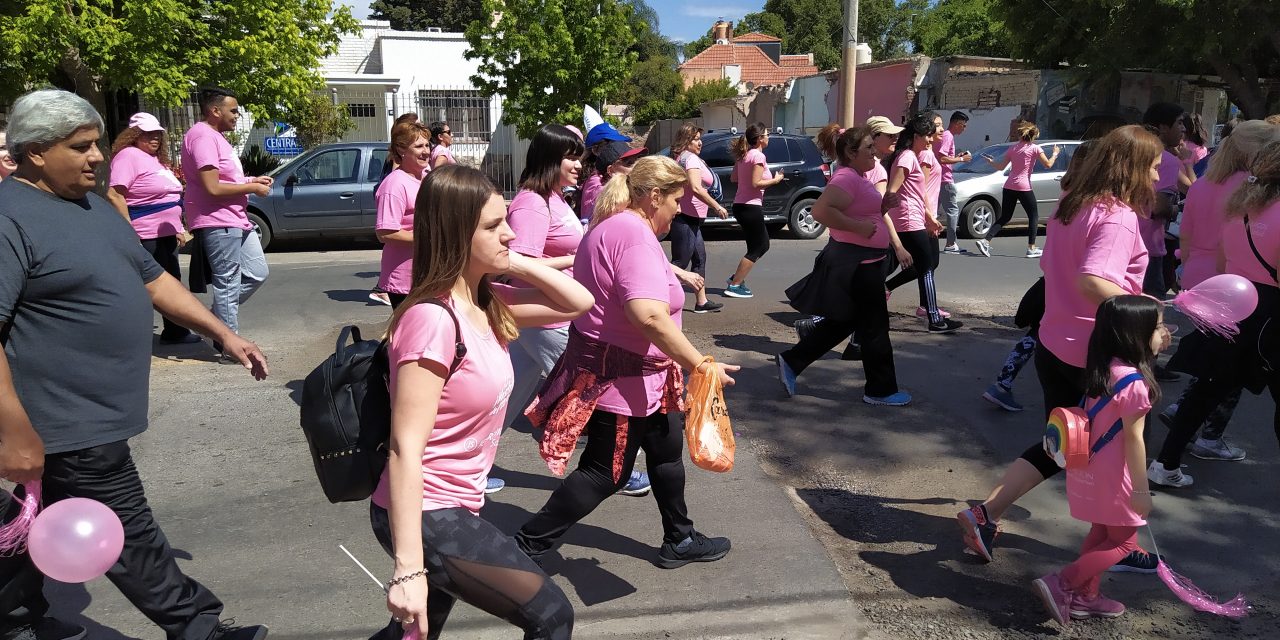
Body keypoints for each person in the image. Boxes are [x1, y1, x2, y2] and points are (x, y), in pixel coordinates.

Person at [0, 89, 270, 640]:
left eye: (97, 143)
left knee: (26, 523)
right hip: (61, 419)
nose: (97, 157)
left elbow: (154, 279)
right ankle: (196, 627)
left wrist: (221, 332)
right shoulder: (9, 219)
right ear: (33, 153)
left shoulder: (93, 207)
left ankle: (16, 619)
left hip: (93, 412)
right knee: (128, 526)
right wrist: (14, 429)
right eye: (81, 147)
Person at [373, 164, 591, 640]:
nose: (511, 233)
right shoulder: (431, 321)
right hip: (425, 510)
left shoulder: (487, 306)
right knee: (552, 615)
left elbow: (578, 302)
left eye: (506, 220)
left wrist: (510, 259)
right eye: (493, 226)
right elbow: (404, 448)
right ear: (454, 233)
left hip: (456, 503)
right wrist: (408, 569)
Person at [957, 126, 1163, 573]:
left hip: (1056, 342)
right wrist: (1147, 317)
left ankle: (987, 514)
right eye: (1152, 165)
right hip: (1096, 352)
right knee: (1113, 448)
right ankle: (1114, 550)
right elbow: (1092, 279)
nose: (1157, 174)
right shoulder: (1117, 215)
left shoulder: (1074, 207)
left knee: (1066, 445)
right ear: (1131, 167)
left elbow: (1058, 272)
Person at [515, 155, 738, 569]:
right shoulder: (631, 234)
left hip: (647, 377)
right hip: (623, 381)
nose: (680, 209)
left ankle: (680, 538)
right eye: (676, 200)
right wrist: (701, 365)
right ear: (654, 196)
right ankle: (525, 546)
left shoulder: (622, 226)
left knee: (667, 453)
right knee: (605, 473)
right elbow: (648, 316)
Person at [503, 126, 656, 498]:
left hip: (552, 314)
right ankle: (611, 470)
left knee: (506, 393)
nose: (579, 163)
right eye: (570, 156)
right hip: (545, 317)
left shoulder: (552, 198)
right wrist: (576, 257)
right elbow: (517, 264)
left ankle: (465, 459)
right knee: (594, 392)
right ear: (549, 160)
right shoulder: (532, 203)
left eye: (579, 155)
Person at [1032, 296, 1166, 627]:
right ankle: (1062, 582)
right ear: (1136, 333)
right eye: (1159, 327)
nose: (1165, 333)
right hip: (1116, 474)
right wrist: (1142, 491)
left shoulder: (1106, 369)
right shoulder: (1134, 384)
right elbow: (1135, 441)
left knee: (1101, 532)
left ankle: (1086, 598)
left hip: (1091, 466)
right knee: (1123, 543)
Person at [1154, 139, 1280, 487]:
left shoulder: (1240, 208)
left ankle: (1164, 464)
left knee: (1204, 392)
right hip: (1270, 316)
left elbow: (1224, 264)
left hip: (1233, 308)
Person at [777, 126, 910, 405]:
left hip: (863, 262)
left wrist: (883, 206)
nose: (875, 153)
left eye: (874, 148)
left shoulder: (858, 177)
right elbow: (820, 211)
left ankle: (792, 360)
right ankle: (880, 390)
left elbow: (863, 211)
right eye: (868, 149)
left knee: (847, 321)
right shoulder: (848, 177)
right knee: (874, 328)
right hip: (859, 264)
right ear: (851, 153)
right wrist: (859, 228)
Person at [982, 140, 1101, 412]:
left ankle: (1003, 381)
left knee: (1037, 333)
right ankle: (1003, 382)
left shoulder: (1067, 197)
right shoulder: (1088, 205)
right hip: (1071, 294)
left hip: (1054, 283)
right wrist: (1055, 153)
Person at [180, 87, 272, 356]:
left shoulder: (216, 137)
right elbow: (212, 187)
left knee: (257, 273)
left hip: (236, 219)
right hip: (217, 220)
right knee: (228, 283)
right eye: (233, 110)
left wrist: (250, 181)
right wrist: (252, 190)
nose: (237, 115)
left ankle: (212, 322)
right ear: (215, 110)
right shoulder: (202, 137)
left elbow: (225, 180)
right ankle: (229, 347)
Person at [106, 112, 201, 345]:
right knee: (146, 286)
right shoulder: (129, 156)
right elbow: (115, 194)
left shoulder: (155, 160)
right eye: (148, 134)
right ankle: (132, 336)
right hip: (144, 234)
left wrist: (177, 227)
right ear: (134, 135)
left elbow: (167, 197)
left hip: (165, 234)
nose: (155, 138)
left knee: (172, 282)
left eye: (157, 134)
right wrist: (129, 232)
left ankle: (175, 331)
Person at [883, 114, 962, 333]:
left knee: (921, 266)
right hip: (909, 220)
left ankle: (933, 316)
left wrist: (928, 216)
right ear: (916, 136)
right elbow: (892, 191)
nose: (930, 140)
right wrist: (885, 215)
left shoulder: (910, 155)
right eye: (927, 136)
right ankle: (934, 319)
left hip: (914, 218)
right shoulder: (908, 157)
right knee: (926, 267)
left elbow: (914, 192)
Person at [976, 122, 1060, 258]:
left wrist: (991, 162)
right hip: (1023, 186)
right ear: (1033, 136)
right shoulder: (1035, 148)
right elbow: (1048, 164)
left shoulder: (1013, 148)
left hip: (1009, 185)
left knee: (1005, 216)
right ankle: (1031, 248)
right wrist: (1055, 154)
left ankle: (985, 241)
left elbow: (1001, 167)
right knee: (1033, 216)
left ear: (1021, 135)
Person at [670, 123, 728, 313]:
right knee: (679, 264)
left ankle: (701, 301)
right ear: (686, 141)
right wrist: (717, 206)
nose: (700, 142)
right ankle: (657, 300)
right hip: (686, 218)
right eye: (695, 139)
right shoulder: (691, 160)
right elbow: (695, 188)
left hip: (691, 219)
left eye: (699, 138)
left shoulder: (682, 158)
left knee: (699, 259)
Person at [725, 123, 786, 299]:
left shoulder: (743, 155)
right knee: (760, 246)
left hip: (741, 205)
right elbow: (755, 183)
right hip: (750, 206)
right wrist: (776, 180)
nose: (769, 137)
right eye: (767, 134)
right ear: (760, 138)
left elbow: (734, 177)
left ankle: (736, 278)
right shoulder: (758, 156)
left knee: (757, 245)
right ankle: (735, 285)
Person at [376, 122, 432, 309]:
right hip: (405, 280)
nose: (426, 151)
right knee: (411, 335)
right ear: (401, 149)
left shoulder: (426, 175)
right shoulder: (394, 185)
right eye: (418, 146)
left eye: (427, 145)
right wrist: (429, 239)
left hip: (428, 274)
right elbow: (385, 233)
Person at [936, 111, 973, 254]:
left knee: (934, 211)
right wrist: (962, 159)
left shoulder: (944, 136)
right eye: (963, 126)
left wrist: (956, 157)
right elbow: (942, 158)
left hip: (938, 179)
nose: (964, 129)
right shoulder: (948, 136)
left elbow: (944, 157)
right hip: (945, 179)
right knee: (952, 211)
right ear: (957, 124)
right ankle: (951, 244)